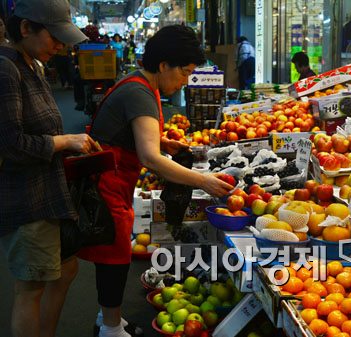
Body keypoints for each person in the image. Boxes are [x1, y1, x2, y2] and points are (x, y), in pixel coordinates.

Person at [77, 25, 233, 337]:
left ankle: (109, 319)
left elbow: (133, 135)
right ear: (164, 65)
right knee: (114, 257)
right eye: (185, 72)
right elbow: (149, 159)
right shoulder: (139, 92)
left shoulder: (140, 85)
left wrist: (163, 142)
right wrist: (202, 181)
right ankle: (109, 330)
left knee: (113, 254)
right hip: (108, 184)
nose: (186, 80)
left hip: (112, 180)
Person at [0, 1, 100, 337]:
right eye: (54, 36)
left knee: (64, 269)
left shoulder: (32, 65)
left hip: (48, 192)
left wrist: (72, 147)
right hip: (26, 198)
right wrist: (64, 143)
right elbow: (10, 144)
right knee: (30, 288)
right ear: (26, 28)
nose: (60, 45)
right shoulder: (6, 69)